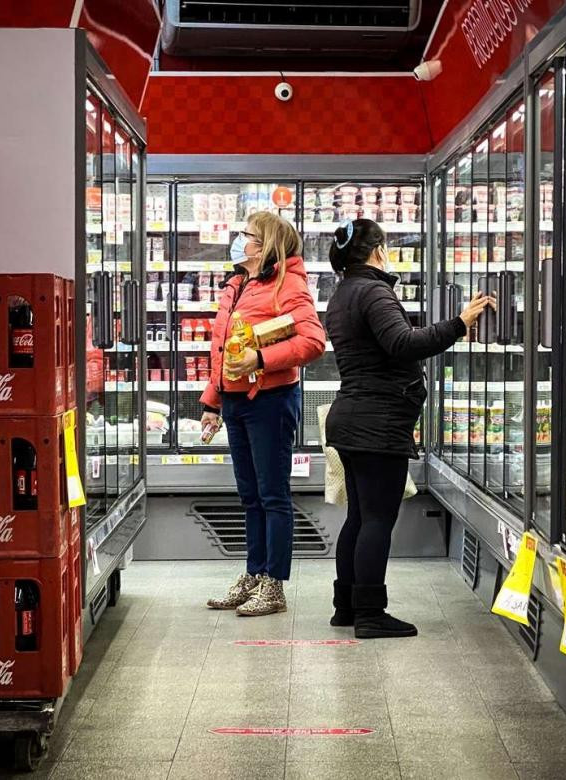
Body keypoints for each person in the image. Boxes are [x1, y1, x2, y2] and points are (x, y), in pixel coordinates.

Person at [324, 219, 493, 638]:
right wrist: (459, 323)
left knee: (360, 517)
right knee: (378, 518)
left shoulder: (343, 292)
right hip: (377, 421)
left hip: (351, 417)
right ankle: (370, 613)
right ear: (378, 251)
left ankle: (345, 606)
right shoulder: (374, 290)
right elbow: (403, 343)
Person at [201, 212, 325, 616]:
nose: (240, 241)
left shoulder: (288, 285)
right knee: (250, 496)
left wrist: (262, 357)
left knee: (273, 496)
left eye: (246, 235)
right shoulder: (237, 284)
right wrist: (212, 403)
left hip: (270, 401)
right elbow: (222, 349)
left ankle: (274, 584)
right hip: (235, 402)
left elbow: (313, 341)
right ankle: (254, 574)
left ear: (265, 245)